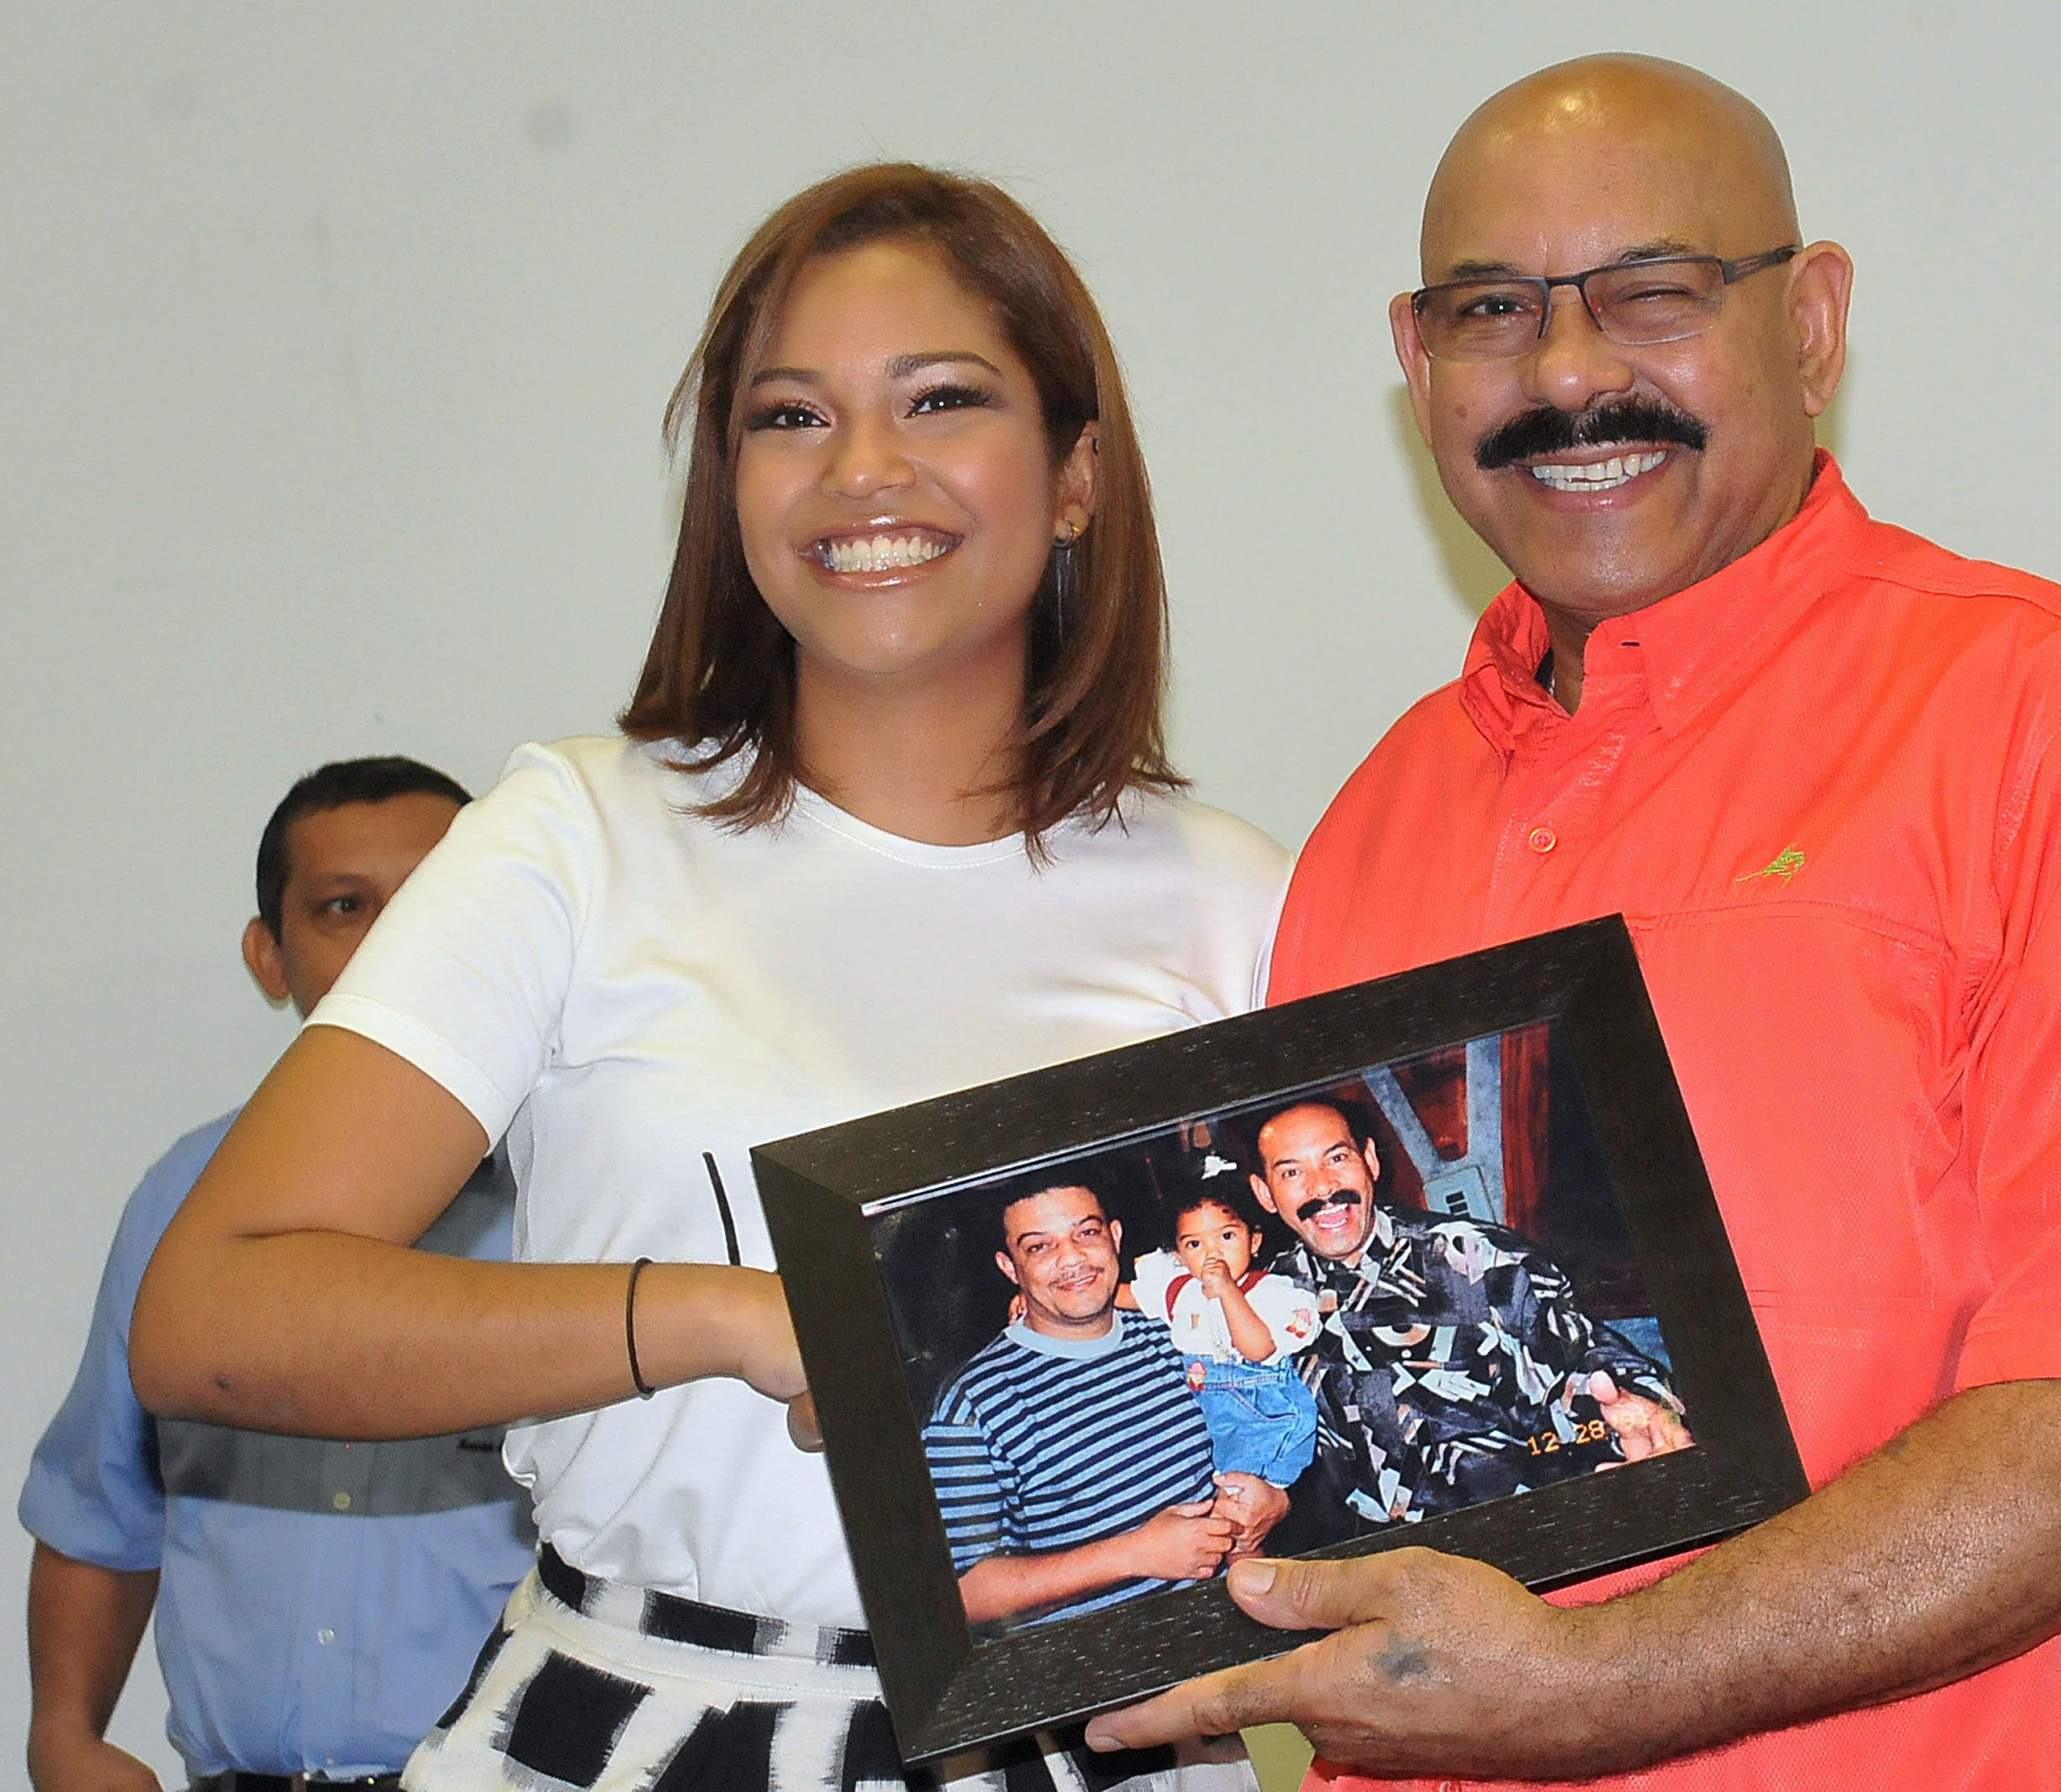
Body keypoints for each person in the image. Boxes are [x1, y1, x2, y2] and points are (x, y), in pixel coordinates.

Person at [1087, 54, 2061, 1791]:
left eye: (1655, 293)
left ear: (1811, 322)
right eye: (1493, 311)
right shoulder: (1380, 820)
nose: (1569, 372)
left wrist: (1588, 1685)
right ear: (1416, 359)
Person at [128, 164, 1285, 1792]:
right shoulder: (579, 832)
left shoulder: (1239, 897)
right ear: (729, 487)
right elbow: (213, 1316)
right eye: (790, 416)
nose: (862, 468)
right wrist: (734, 1317)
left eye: (940, 399)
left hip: (1104, 1738)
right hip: (630, 1724)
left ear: (1077, 473)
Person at [20, 757, 532, 1792]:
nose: (398, 939)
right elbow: (100, 1505)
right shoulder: (184, 1200)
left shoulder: (585, 1203)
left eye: (437, 896)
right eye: (345, 907)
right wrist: (64, 1736)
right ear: (270, 957)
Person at [1246, 1099, 1684, 1531]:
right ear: (1265, 1193)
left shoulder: (1477, 1257)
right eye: (1292, 1173)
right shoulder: (1257, 1308)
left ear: (1370, 1162)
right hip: (1381, 1553)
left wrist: (1646, 1410)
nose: (1322, 1188)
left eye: (1337, 1158)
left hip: (1526, 1525)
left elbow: (1587, 1358)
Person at [926, 1182, 1286, 1634]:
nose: (1072, 1258)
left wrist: (1274, 1499)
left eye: (1086, 1233)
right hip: (1102, 1662)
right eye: (1039, 1247)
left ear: (1114, 1237)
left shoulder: (1181, 1335)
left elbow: (1270, 1425)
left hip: (1236, 1629)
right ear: (1009, 1267)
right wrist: (1132, 1554)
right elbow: (958, 1598)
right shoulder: (975, 1402)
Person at [1122, 1187, 1322, 1490]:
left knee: (1241, 1490)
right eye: (1194, 1244)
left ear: (1254, 1241)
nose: (1212, 1253)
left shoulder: (1271, 1292)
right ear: (1179, 1256)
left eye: (1226, 1236)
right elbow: (1125, 1296)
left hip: (1265, 1417)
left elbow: (1258, 1350)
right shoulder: (1180, 1292)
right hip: (1209, 1415)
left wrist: (1228, 1290)